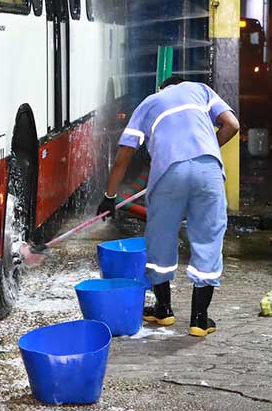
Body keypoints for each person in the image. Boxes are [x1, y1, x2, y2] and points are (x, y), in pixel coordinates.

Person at [99, 75, 240, 337]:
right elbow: (231, 124)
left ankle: (164, 310)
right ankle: (199, 319)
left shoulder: (151, 102)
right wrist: (208, 146)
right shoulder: (201, 91)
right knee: (208, 239)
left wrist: (109, 196)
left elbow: (124, 156)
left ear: (163, 88)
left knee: (160, 238)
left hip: (167, 174)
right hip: (208, 170)